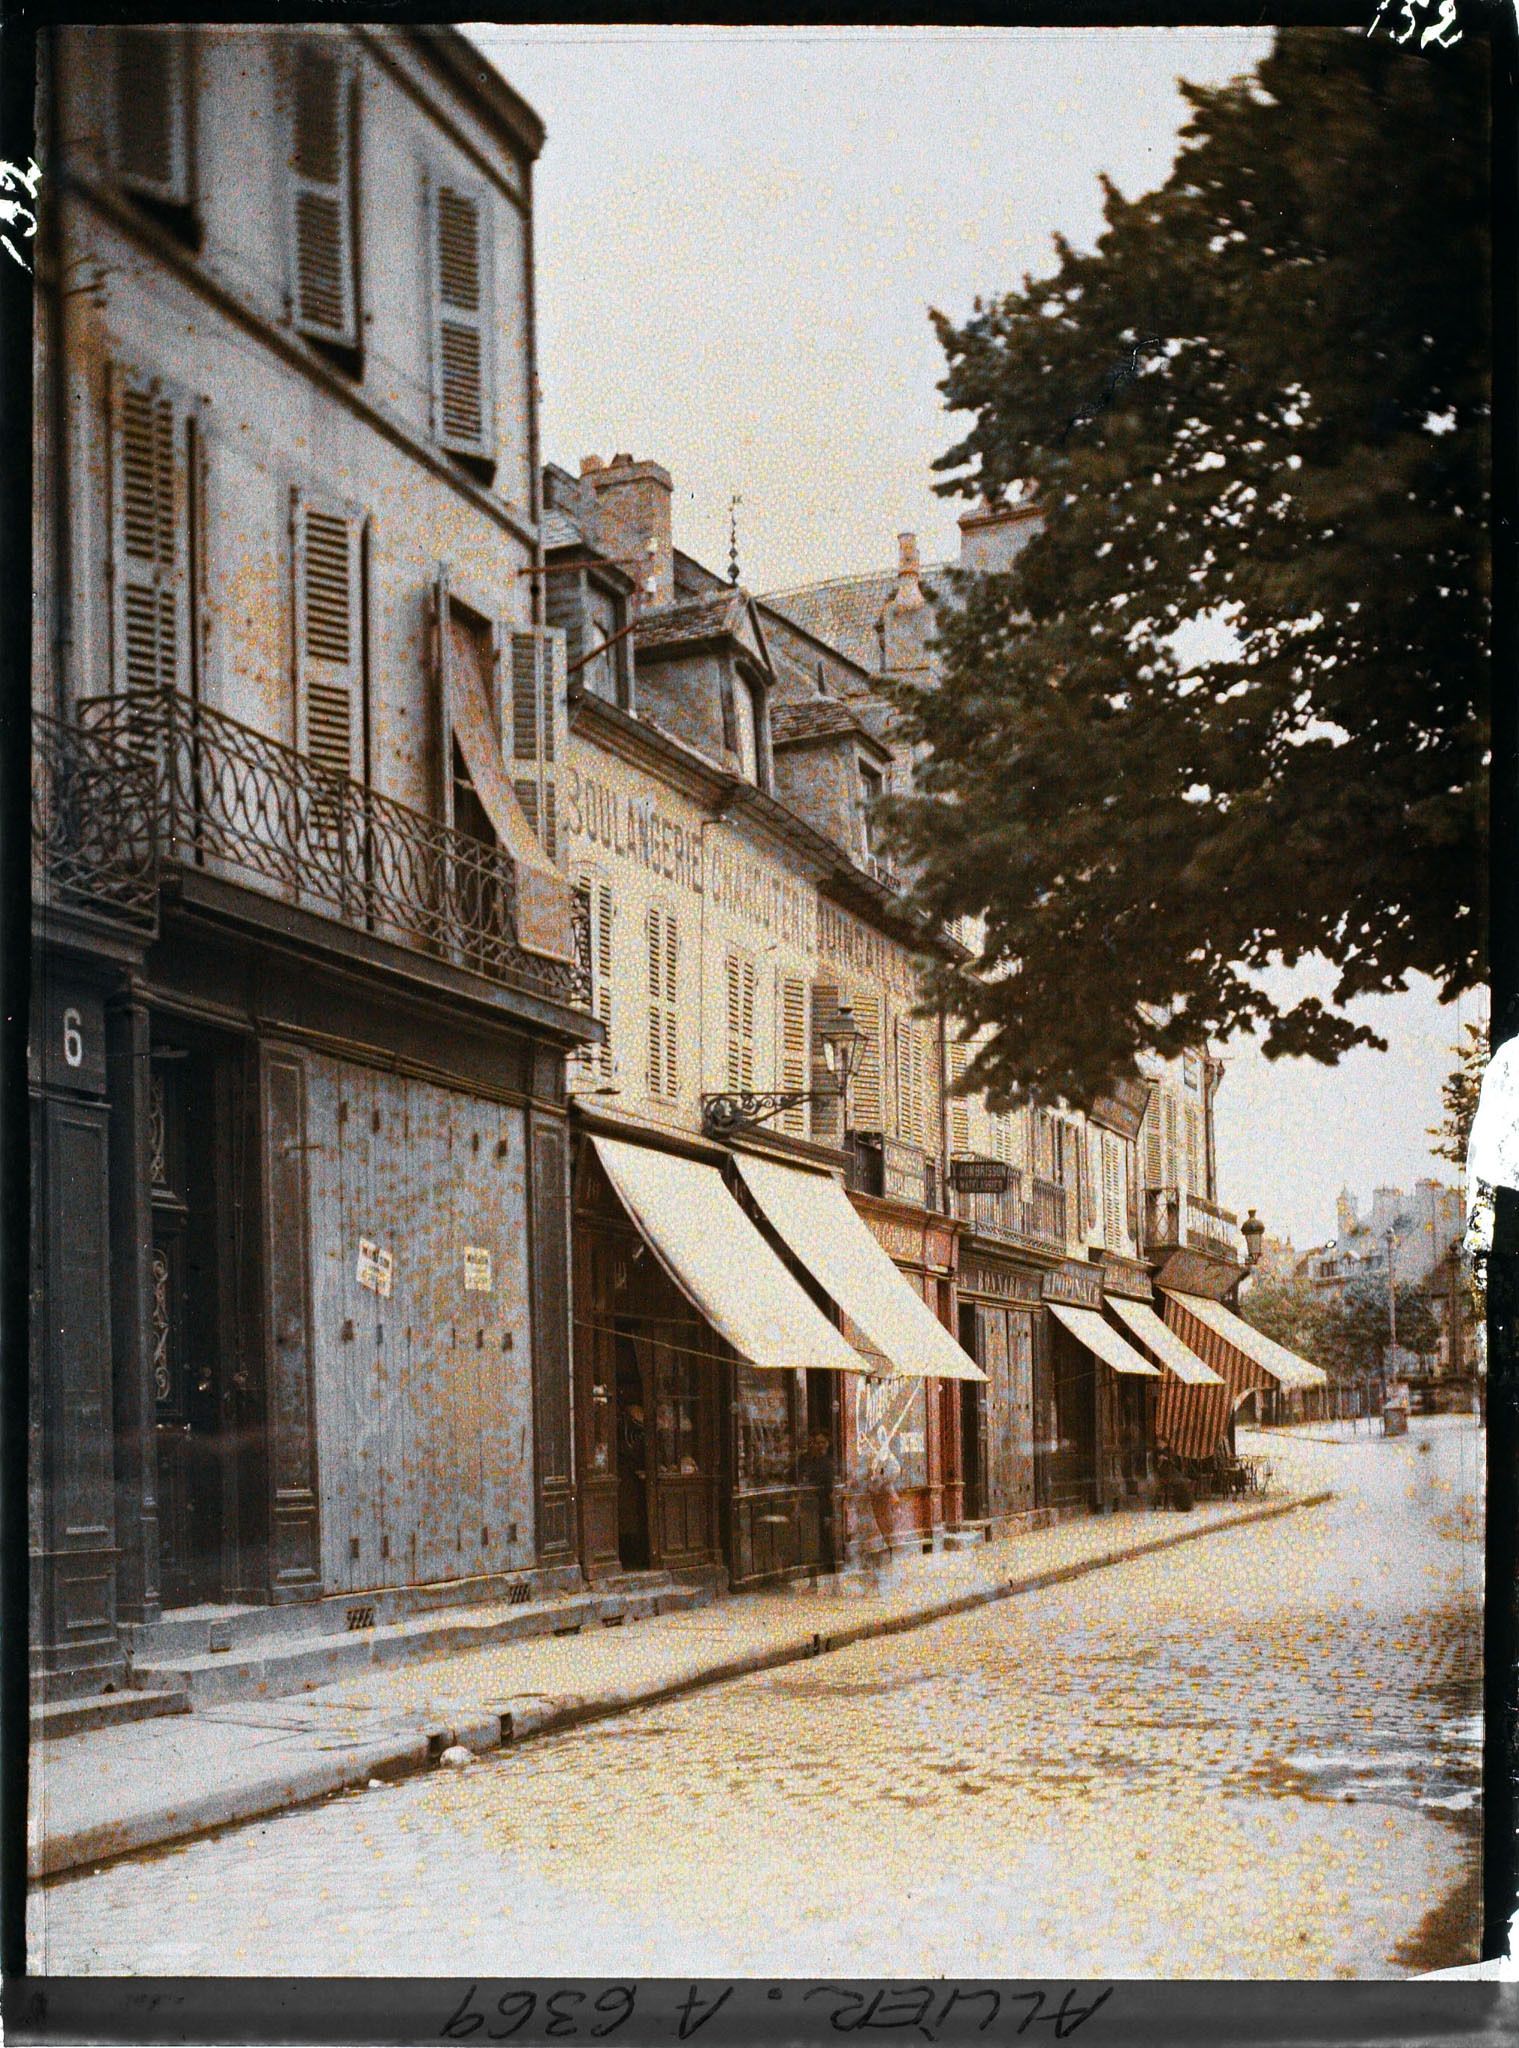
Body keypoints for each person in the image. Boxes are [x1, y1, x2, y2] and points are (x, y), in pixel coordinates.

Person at [799, 1429, 837, 1574]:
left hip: (823, 1505)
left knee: (825, 1539)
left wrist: (829, 1513)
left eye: (822, 1443)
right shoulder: (807, 1460)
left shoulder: (829, 1463)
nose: (819, 1446)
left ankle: (827, 1569)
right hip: (811, 1506)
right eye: (816, 1443)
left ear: (827, 1444)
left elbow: (829, 1489)